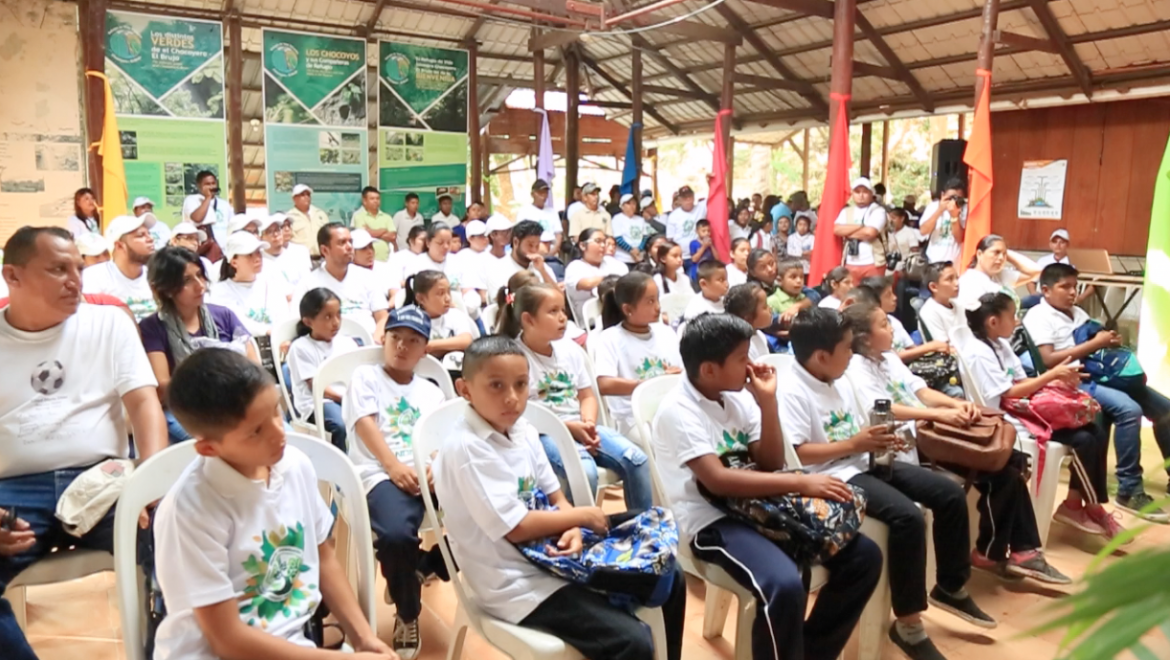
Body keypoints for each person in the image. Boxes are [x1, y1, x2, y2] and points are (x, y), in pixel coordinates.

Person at [433, 336, 685, 660]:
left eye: (521, 385)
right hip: (515, 583)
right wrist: (580, 518)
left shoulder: (522, 429)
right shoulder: (468, 448)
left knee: (668, 570)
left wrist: (573, 528)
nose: (512, 398)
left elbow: (556, 497)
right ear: (465, 389)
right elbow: (517, 528)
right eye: (496, 385)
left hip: (552, 552)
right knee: (631, 641)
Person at [653, 313, 881, 660]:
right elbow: (717, 480)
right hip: (713, 521)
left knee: (864, 556)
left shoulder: (738, 396)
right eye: (742, 358)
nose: (751, 366)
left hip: (764, 505)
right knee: (786, 584)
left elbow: (772, 462)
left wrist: (767, 402)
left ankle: (811, 653)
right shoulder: (678, 411)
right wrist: (802, 482)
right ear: (710, 370)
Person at [152, 349, 396, 660]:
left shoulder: (294, 466)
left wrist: (363, 638)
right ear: (209, 448)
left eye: (276, 412)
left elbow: (324, 557)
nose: (279, 434)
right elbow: (227, 641)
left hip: (290, 646)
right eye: (256, 431)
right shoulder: (190, 510)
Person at [783, 307, 995, 660]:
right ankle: (909, 625)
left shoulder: (838, 375)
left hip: (862, 460)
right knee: (907, 517)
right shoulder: (792, 390)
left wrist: (881, 438)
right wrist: (856, 444)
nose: (852, 355)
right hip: (832, 474)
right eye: (847, 349)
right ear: (822, 356)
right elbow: (798, 453)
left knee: (948, 493)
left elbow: (859, 426)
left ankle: (950, 585)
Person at [0, 227, 166, 660]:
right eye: (58, 269)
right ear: (12, 277)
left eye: (78, 267)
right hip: (13, 490)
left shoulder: (108, 323)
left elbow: (145, 404)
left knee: (178, 536)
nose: (75, 280)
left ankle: (169, 652)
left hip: (104, 481)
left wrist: (152, 482)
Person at [843, 302, 1072, 582]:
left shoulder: (888, 358)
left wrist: (955, 405)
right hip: (911, 441)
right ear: (865, 338)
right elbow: (883, 409)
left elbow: (923, 391)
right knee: (1001, 468)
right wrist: (939, 414)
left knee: (1011, 463)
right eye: (884, 325)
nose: (892, 329)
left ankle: (1010, 550)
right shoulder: (855, 367)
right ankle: (1003, 551)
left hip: (930, 428)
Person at [965, 292, 1125, 541]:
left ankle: (1075, 505)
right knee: (1083, 439)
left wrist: (1060, 380)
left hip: (1023, 405)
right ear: (993, 322)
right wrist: (1051, 375)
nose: (1017, 321)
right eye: (1013, 316)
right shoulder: (978, 352)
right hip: (1009, 417)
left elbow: (1020, 381)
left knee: (1095, 429)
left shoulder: (1001, 344)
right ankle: (1092, 507)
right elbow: (1009, 392)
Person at [1024, 263, 1170, 521]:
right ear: (1045, 290)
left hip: (1101, 373)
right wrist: (1094, 343)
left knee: (1165, 410)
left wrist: (1108, 340)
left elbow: (1094, 340)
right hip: (1072, 381)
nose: (1072, 292)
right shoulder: (1038, 316)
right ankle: (1129, 489)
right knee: (1128, 409)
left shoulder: (1076, 312)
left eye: (1075, 286)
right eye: (1065, 287)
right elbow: (1048, 360)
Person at [343, 305, 448, 659]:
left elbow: (438, 438)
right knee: (395, 535)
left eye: (412, 340)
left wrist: (434, 466)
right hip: (380, 473)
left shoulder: (431, 391)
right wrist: (393, 467)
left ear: (424, 348)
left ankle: (423, 565)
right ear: (384, 339)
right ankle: (408, 611)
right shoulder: (366, 377)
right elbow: (365, 425)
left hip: (426, 475)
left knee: (492, 516)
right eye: (395, 338)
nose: (402, 346)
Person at [499, 283, 653, 511]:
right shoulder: (513, 358)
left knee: (636, 460)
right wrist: (571, 428)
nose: (562, 318)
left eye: (563, 310)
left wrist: (589, 424)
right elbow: (521, 414)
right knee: (584, 472)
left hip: (582, 425)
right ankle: (577, 534)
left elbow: (587, 396)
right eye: (553, 312)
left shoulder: (570, 350)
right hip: (542, 433)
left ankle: (641, 529)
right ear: (528, 319)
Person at [140, 246, 257, 444]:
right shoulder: (152, 328)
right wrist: (217, 387)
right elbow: (163, 385)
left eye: (200, 276)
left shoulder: (223, 315)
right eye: (186, 281)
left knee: (275, 431)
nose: (200, 286)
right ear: (166, 289)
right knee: (230, 441)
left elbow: (254, 365)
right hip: (183, 410)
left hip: (233, 403)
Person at [594, 272, 683, 435]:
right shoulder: (611, 338)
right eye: (650, 301)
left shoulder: (666, 332)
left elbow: (683, 370)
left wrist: (677, 375)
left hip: (672, 408)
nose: (658, 306)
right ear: (627, 309)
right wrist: (650, 383)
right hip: (635, 418)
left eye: (657, 299)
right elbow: (605, 384)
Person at [292, 223, 390, 343]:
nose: (349, 247)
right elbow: (299, 323)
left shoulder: (367, 276)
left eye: (350, 242)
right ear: (325, 250)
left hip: (368, 344)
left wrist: (376, 339)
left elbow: (382, 316)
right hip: (328, 349)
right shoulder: (308, 283)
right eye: (342, 243)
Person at [289, 287, 360, 449]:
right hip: (318, 402)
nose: (336, 322)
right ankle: (341, 468)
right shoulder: (301, 347)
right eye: (327, 317)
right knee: (340, 426)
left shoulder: (347, 343)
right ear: (308, 322)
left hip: (346, 397)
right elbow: (317, 386)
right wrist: (346, 399)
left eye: (338, 315)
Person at [856, 276, 951, 368]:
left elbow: (912, 348)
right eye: (888, 295)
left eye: (893, 293)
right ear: (874, 301)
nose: (894, 298)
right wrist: (930, 347)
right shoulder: (870, 327)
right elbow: (891, 358)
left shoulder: (894, 321)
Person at [209, 231, 291, 337]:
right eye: (249, 255)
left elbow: (284, 317)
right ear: (234, 262)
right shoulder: (220, 291)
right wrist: (267, 331)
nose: (257, 258)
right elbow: (237, 323)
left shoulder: (271, 283)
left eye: (258, 252)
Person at [82, 214, 158, 321]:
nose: (150, 239)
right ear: (119, 246)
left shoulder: (157, 276)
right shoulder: (93, 277)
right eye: (141, 235)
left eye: (149, 234)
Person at [402, 271, 477, 364]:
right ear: (421, 298)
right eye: (441, 293)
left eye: (448, 292)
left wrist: (431, 345)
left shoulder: (455, 314)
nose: (448, 298)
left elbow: (466, 341)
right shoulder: (410, 319)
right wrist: (450, 345)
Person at [955, 234, 1042, 313]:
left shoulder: (1000, 275)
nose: (1001, 258)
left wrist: (1006, 252)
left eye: (1004, 254)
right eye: (996, 252)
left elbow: (1035, 271)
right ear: (979, 254)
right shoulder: (969, 281)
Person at [562, 228, 626, 322]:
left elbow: (626, 281)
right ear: (583, 246)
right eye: (598, 241)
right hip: (590, 323)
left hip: (618, 317)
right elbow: (586, 284)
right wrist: (611, 279)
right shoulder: (574, 267)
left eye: (604, 241)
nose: (603, 245)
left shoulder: (613, 262)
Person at [833, 177, 889, 281]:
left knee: (873, 295)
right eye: (857, 192)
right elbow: (836, 230)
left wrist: (847, 232)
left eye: (865, 192)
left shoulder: (878, 210)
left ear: (871, 194)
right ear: (852, 194)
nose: (861, 196)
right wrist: (860, 226)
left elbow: (870, 233)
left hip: (873, 263)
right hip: (850, 262)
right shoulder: (846, 211)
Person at [486, 220, 557, 302]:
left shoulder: (542, 267)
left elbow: (557, 298)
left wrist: (543, 271)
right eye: (530, 245)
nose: (534, 250)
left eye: (537, 246)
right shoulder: (497, 269)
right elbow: (502, 303)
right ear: (516, 242)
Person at [919, 180, 966, 265]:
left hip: (955, 263)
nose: (953, 202)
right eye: (950, 198)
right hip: (933, 261)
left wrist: (954, 216)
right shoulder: (933, 206)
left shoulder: (964, 209)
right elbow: (923, 231)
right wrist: (939, 210)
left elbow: (959, 239)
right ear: (942, 195)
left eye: (957, 198)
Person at [181, 170, 230, 250]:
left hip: (222, 250)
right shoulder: (192, 200)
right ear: (199, 186)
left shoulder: (224, 204)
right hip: (200, 249)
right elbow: (197, 218)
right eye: (207, 184)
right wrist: (208, 198)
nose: (211, 187)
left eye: (213, 183)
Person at [261, 214, 312, 290]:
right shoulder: (259, 260)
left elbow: (308, 284)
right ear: (261, 237)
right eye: (269, 232)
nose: (275, 234)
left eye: (277, 230)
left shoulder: (297, 256)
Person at [724, 282, 772, 360]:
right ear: (748, 318)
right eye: (765, 307)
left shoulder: (760, 335)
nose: (770, 309)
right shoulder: (744, 349)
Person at [516, 179, 563, 255]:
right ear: (532, 194)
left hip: (551, 249)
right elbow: (519, 234)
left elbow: (558, 235)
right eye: (540, 193)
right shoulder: (524, 211)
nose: (543, 196)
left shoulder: (552, 212)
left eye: (545, 193)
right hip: (532, 250)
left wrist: (553, 251)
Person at [352, 186, 397, 261]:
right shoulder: (358, 217)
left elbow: (392, 237)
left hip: (385, 260)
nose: (376, 201)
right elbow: (363, 236)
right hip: (367, 261)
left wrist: (371, 231)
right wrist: (383, 230)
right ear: (364, 201)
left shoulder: (387, 217)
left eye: (377, 198)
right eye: (372, 199)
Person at [287, 184, 332, 258]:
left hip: (322, 258)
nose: (306, 197)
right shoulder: (289, 217)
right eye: (302, 195)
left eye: (308, 195)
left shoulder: (320, 214)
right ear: (294, 198)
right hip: (300, 259)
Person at [387, 226, 427, 307]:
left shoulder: (430, 257)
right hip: (404, 294)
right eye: (422, 240)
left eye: (427, 240)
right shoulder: (399, 257)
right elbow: (394, 281)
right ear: (411, 241)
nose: (425, 243)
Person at [665, 186, 702, 269]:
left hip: (698, 255)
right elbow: (670, 239)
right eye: (685, 197)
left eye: (690, 196)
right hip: (680, 257)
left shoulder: (701, 208)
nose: (688, 199)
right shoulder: (673, 216)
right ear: (680, 199)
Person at [767, 258, 812, 325]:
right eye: (793, 277)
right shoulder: (772, 301)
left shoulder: (805, 298)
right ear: (779, 280)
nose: (799, 281)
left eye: (802, 277)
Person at [611, 194, 648, 264]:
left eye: (634, 203)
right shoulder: (617, 219)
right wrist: (631, 250)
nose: (631, 206)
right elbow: (618, 238)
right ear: (622, 206)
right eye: (628, 203)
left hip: (639, 258)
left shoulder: (640, 219)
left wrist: (638, 249)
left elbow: (645, 236)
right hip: (622, 258)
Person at [886, 208, 921, 275]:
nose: (890, 220)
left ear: (902, 219)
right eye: (889, 218)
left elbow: (915, 254)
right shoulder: (887, 232)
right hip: (887, 269)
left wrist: (905, 270)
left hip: (901, 270)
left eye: (893, 218)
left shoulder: (909, 232)